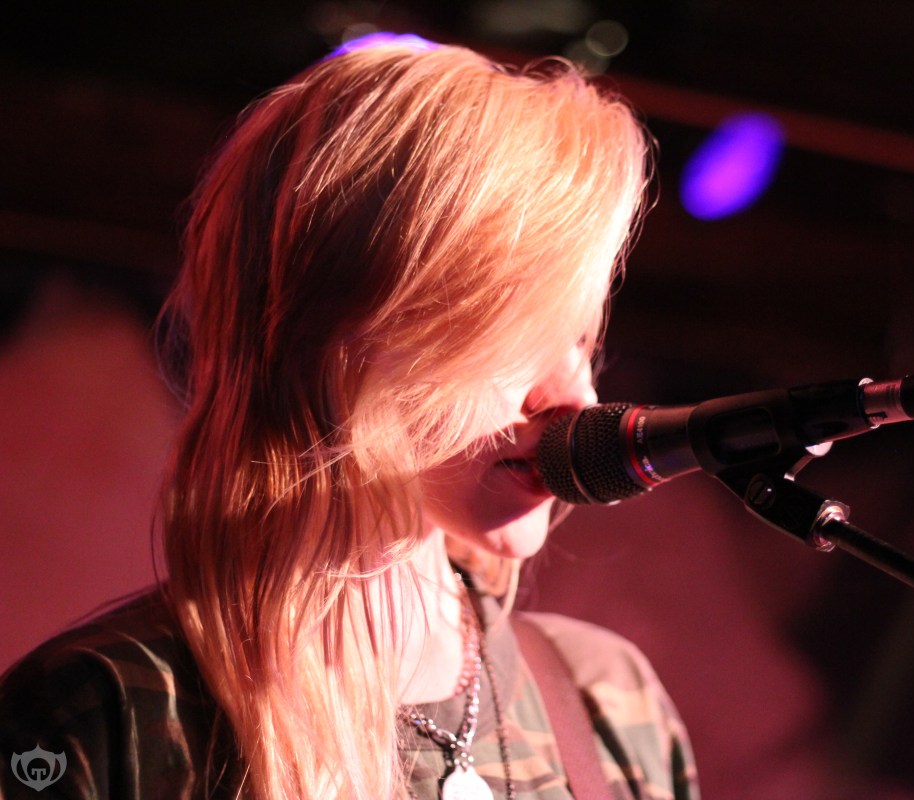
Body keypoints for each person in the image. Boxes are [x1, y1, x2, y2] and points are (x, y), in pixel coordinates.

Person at [0, 37, 697, 800]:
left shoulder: (608, 702)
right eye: (518, 342)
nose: (575, 400)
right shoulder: (103, 719)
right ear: (346, 340)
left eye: (580, 342)